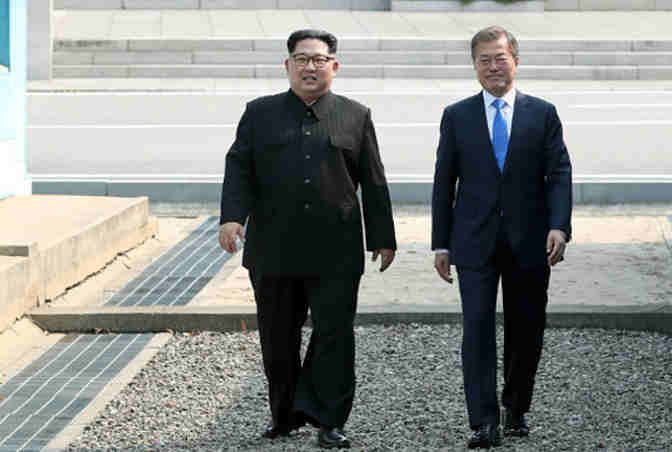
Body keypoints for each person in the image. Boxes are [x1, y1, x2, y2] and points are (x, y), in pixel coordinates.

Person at [218, 29, 397, 450]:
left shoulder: (356, 115)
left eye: (319, 59)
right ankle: (284, 417)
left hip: (336, 250)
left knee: (335, 336)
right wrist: (231, 219)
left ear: (334, 66)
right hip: (273, 248)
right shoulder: (259, 114)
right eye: (302, 59)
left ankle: (330, 419)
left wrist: (383, 237)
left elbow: (373, 181)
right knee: (278, 337)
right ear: (287, 66)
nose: (310, 67)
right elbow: (239, 168)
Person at [431, 25, 573, 449]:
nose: (493, 67)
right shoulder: (457, 116)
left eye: (500, 57)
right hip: (473, 241)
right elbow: (444, 182)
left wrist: (559, 226)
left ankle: (516, 408)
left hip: (530, 241)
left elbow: (560, 173)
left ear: (515, 60)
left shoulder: (542, 113)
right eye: (484, 60)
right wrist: (441, 242)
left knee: (525, 329)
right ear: (474, 66)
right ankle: (483, 421)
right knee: (476, 328)